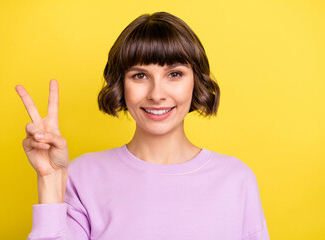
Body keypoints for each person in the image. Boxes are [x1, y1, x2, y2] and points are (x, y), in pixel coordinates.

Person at [15, 12, 270, 240]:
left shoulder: (236, 180)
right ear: (120, 85)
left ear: (196, 82)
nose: (156, 94)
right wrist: (50, 180)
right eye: (140, 76)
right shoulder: (81, 176)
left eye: (174, 74)